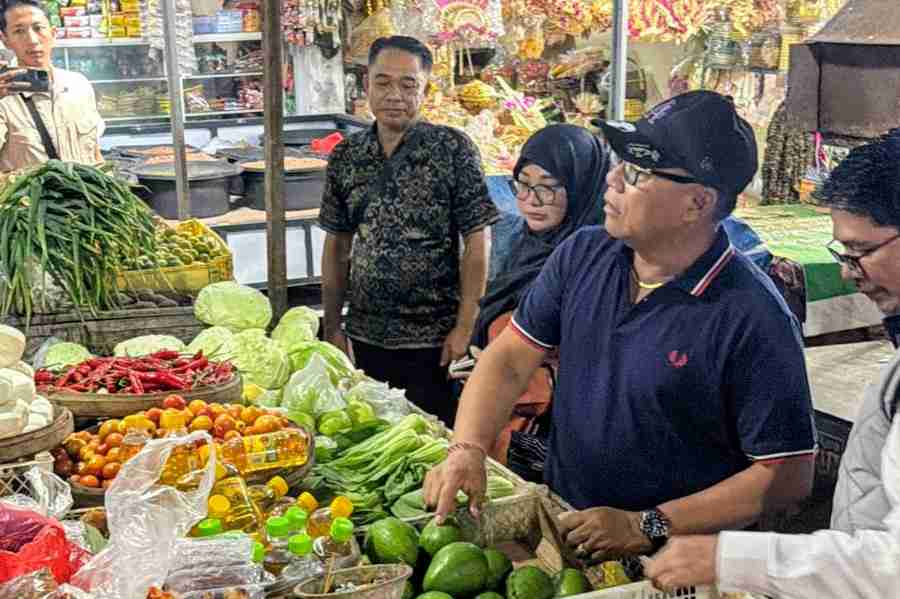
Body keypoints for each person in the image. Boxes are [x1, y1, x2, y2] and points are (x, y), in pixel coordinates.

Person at [424, 90, 817, 563]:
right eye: (618, 163)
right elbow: (508, 360)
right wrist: (467, 448)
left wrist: (646, 523)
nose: (612, 180)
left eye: (635, 172)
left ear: (697, 201)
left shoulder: (753, 316)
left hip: (675, 560)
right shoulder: (584, 254)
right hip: (569, 523)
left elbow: (788, 475)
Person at [646, 129, 900, 598]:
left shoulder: (751, 309)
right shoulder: (592, 264)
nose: (846, 270)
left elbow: (786, 477)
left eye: (860, 251)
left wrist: (725, 557)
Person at [319, 35, 498, 426]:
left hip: (434, 340)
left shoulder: (452, 148)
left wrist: (465, 325)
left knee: (432, 439)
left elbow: (478, 238)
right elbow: (337, 244)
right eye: (382, 82)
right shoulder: (346, 156)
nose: (394, 94)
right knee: (373, 433)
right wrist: (333, 326)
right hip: (364, 335)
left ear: (425, 88)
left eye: (408, 84)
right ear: (366, 85)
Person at [456, 124, 609, 475]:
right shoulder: (520, 242)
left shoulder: (596, 258)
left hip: (559, 435)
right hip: (502, 422)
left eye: (549, 187)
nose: (531, 200)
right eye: (523, 184)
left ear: (581, 186)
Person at [0, 0, 104, 172]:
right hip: (29, 199)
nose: (32, 40)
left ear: (53, 33)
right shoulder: (4, 96)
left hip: (85, 197)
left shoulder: (79, 85)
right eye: (19, 31)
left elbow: (95, 154)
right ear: (5, 40)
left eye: (38, 28)